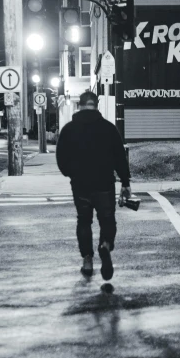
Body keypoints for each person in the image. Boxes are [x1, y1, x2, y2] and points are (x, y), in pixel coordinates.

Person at [56, 91, 131, 280]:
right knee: (107, 220)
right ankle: (105, 245)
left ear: (79, 105)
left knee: (84, 220)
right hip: (104, 183)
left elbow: (61, 158)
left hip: (80, 184)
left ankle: (87, 260)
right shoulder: (108, 128)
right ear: (96, 105)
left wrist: (71, 173)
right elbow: (119, 157)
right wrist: (125, 181)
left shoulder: (69, 129)